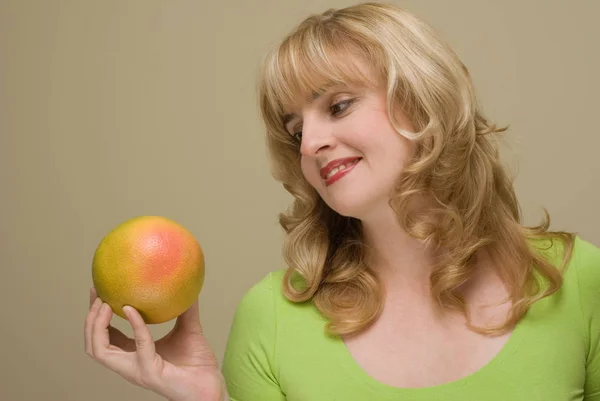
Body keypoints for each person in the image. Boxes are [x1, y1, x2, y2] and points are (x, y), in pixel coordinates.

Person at [84, 3, 600, 400]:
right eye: (295, 130)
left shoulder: (580, 282)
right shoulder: (272, 318)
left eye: (338, 105)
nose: (309, 145)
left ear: (423, 98)